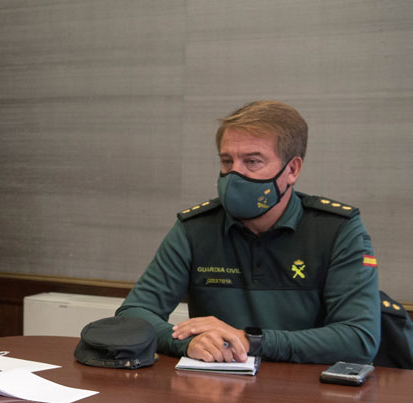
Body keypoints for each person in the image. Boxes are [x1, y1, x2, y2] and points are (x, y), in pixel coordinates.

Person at [117, 101, 379, 364]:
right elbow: (132, 315)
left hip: (304, 385)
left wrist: (250, 340)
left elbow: (359, 339)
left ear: (292, 170)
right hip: (216, 385)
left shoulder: (338, 229)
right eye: (226, 161)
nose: (234, 175)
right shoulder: (195, 228)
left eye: (252, 161)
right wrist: (186, 343)